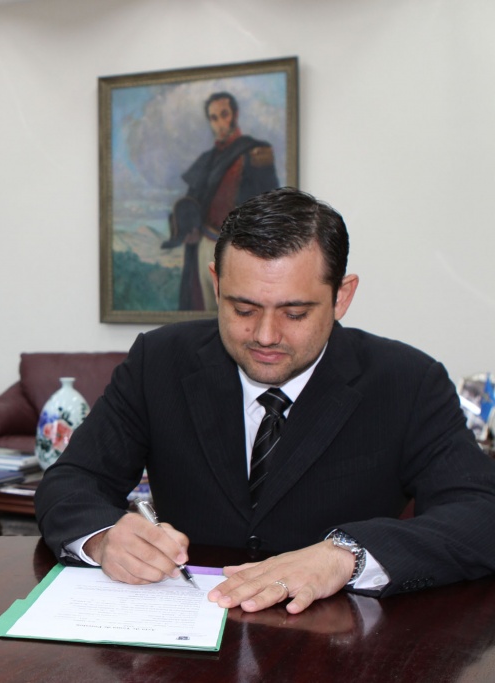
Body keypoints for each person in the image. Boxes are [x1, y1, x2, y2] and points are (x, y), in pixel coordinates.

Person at [37, 186, 495, 616]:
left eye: (294, 313)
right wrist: (104, 539)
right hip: (189, 625)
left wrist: (346, 556)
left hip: (341, 638)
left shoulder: (407, 382)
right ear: (216, 284)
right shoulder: (159, 361)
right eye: (243, 309)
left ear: (342, 296)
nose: (265, 336)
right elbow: (73, 479)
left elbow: (480, 514)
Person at [162, 92, 280, 311]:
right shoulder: (207, 160)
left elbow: (271, 207)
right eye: (213, 118)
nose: (219, 123)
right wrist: (188, 228)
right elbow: (193, 202)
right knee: (204, 313)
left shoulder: (255, 152)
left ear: (235, 115)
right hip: (204, 245)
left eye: (224, 115)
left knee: (238, 314)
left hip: (238, 251)